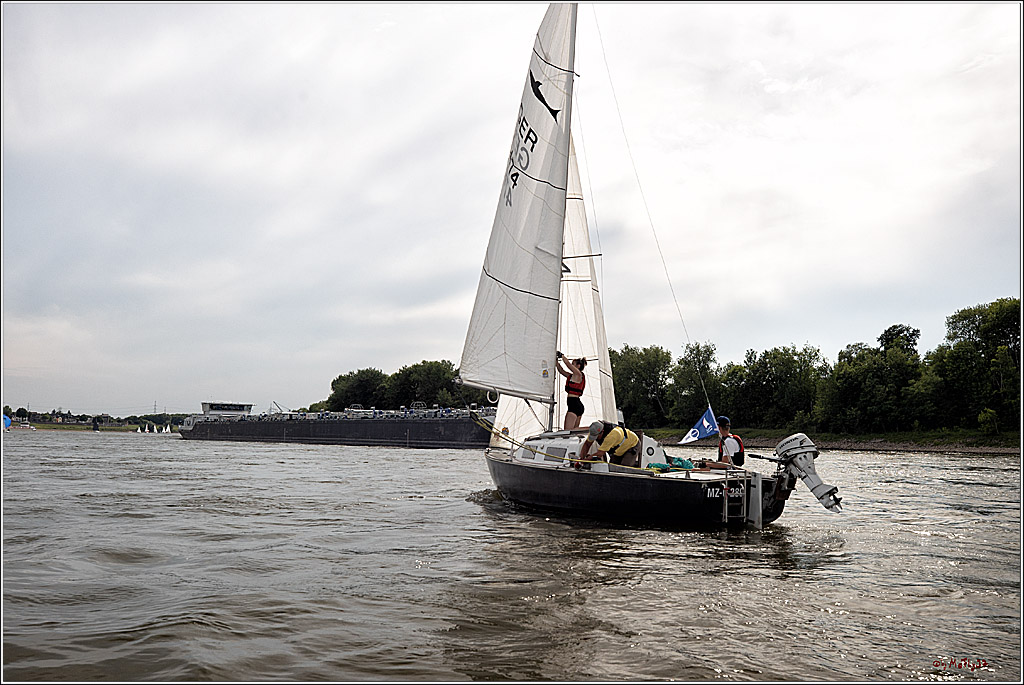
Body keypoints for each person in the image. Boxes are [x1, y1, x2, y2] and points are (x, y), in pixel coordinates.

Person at [555, 351, 587, 430]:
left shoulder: (578, 374)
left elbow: (568, 365)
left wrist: (562, 356)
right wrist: (555, 362)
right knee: (574, 432)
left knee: (567, 431)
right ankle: (590, 429)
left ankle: (590, 429)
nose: (572, 366)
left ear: (578, 366)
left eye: (574, 364)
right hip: (576, 404)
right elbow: (561, 371)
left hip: (574, 404)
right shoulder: (572, 376)